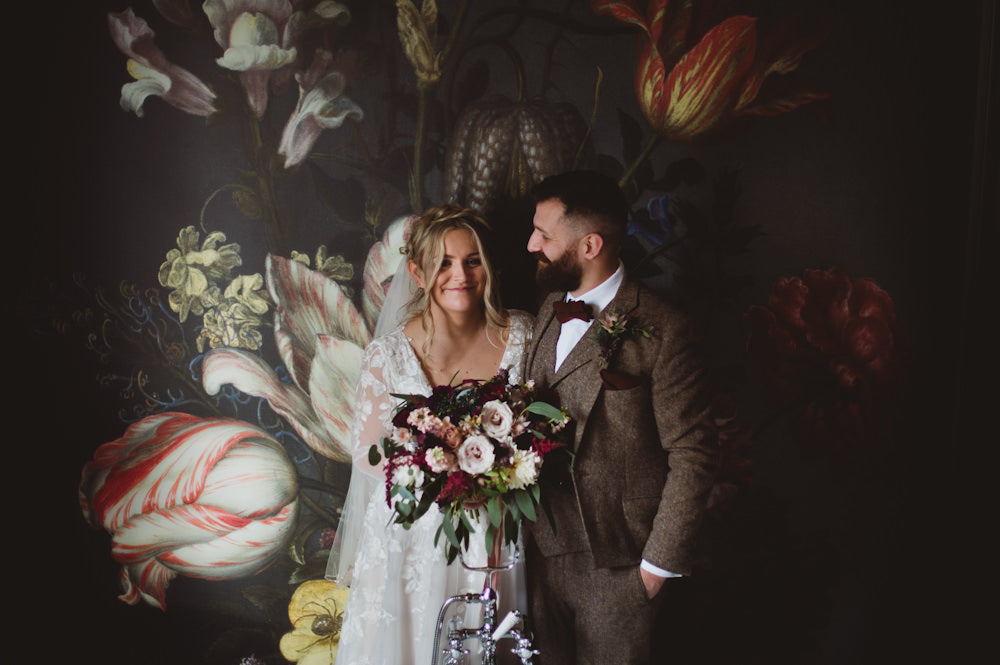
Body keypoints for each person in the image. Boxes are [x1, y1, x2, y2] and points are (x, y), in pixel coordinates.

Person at [522, 171, 719, 665]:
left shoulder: (665, 329)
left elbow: (693, 452)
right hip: (540, 556)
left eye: (544, 235)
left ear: (590, 245)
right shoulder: (549, 307)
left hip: (620, 565)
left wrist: (655, 569)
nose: (531, 245)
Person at [329, 204, 534, 665]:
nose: (460, 275)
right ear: (418, 274)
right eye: (443, 263)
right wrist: (442, 471)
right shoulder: (387, 354)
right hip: (414, 534)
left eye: (473, 261)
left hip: (497, 527)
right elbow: (367, 453)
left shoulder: (523, 333)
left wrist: (493, 475)